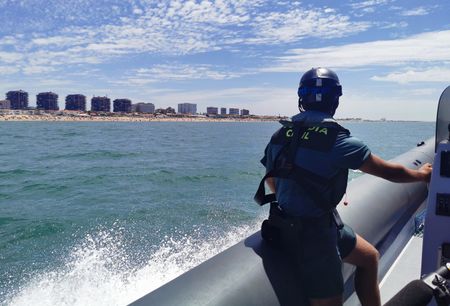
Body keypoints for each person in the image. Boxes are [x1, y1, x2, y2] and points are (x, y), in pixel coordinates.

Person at [255, 67, 433, 306]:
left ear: (301, 99)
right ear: (335, 99)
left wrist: (293, 202)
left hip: (299, 224)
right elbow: (389, 172)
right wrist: (421, 175)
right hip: (315, 237)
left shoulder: (279, 135)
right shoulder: (341, 141)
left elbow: (270, 179)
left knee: (369, 257)